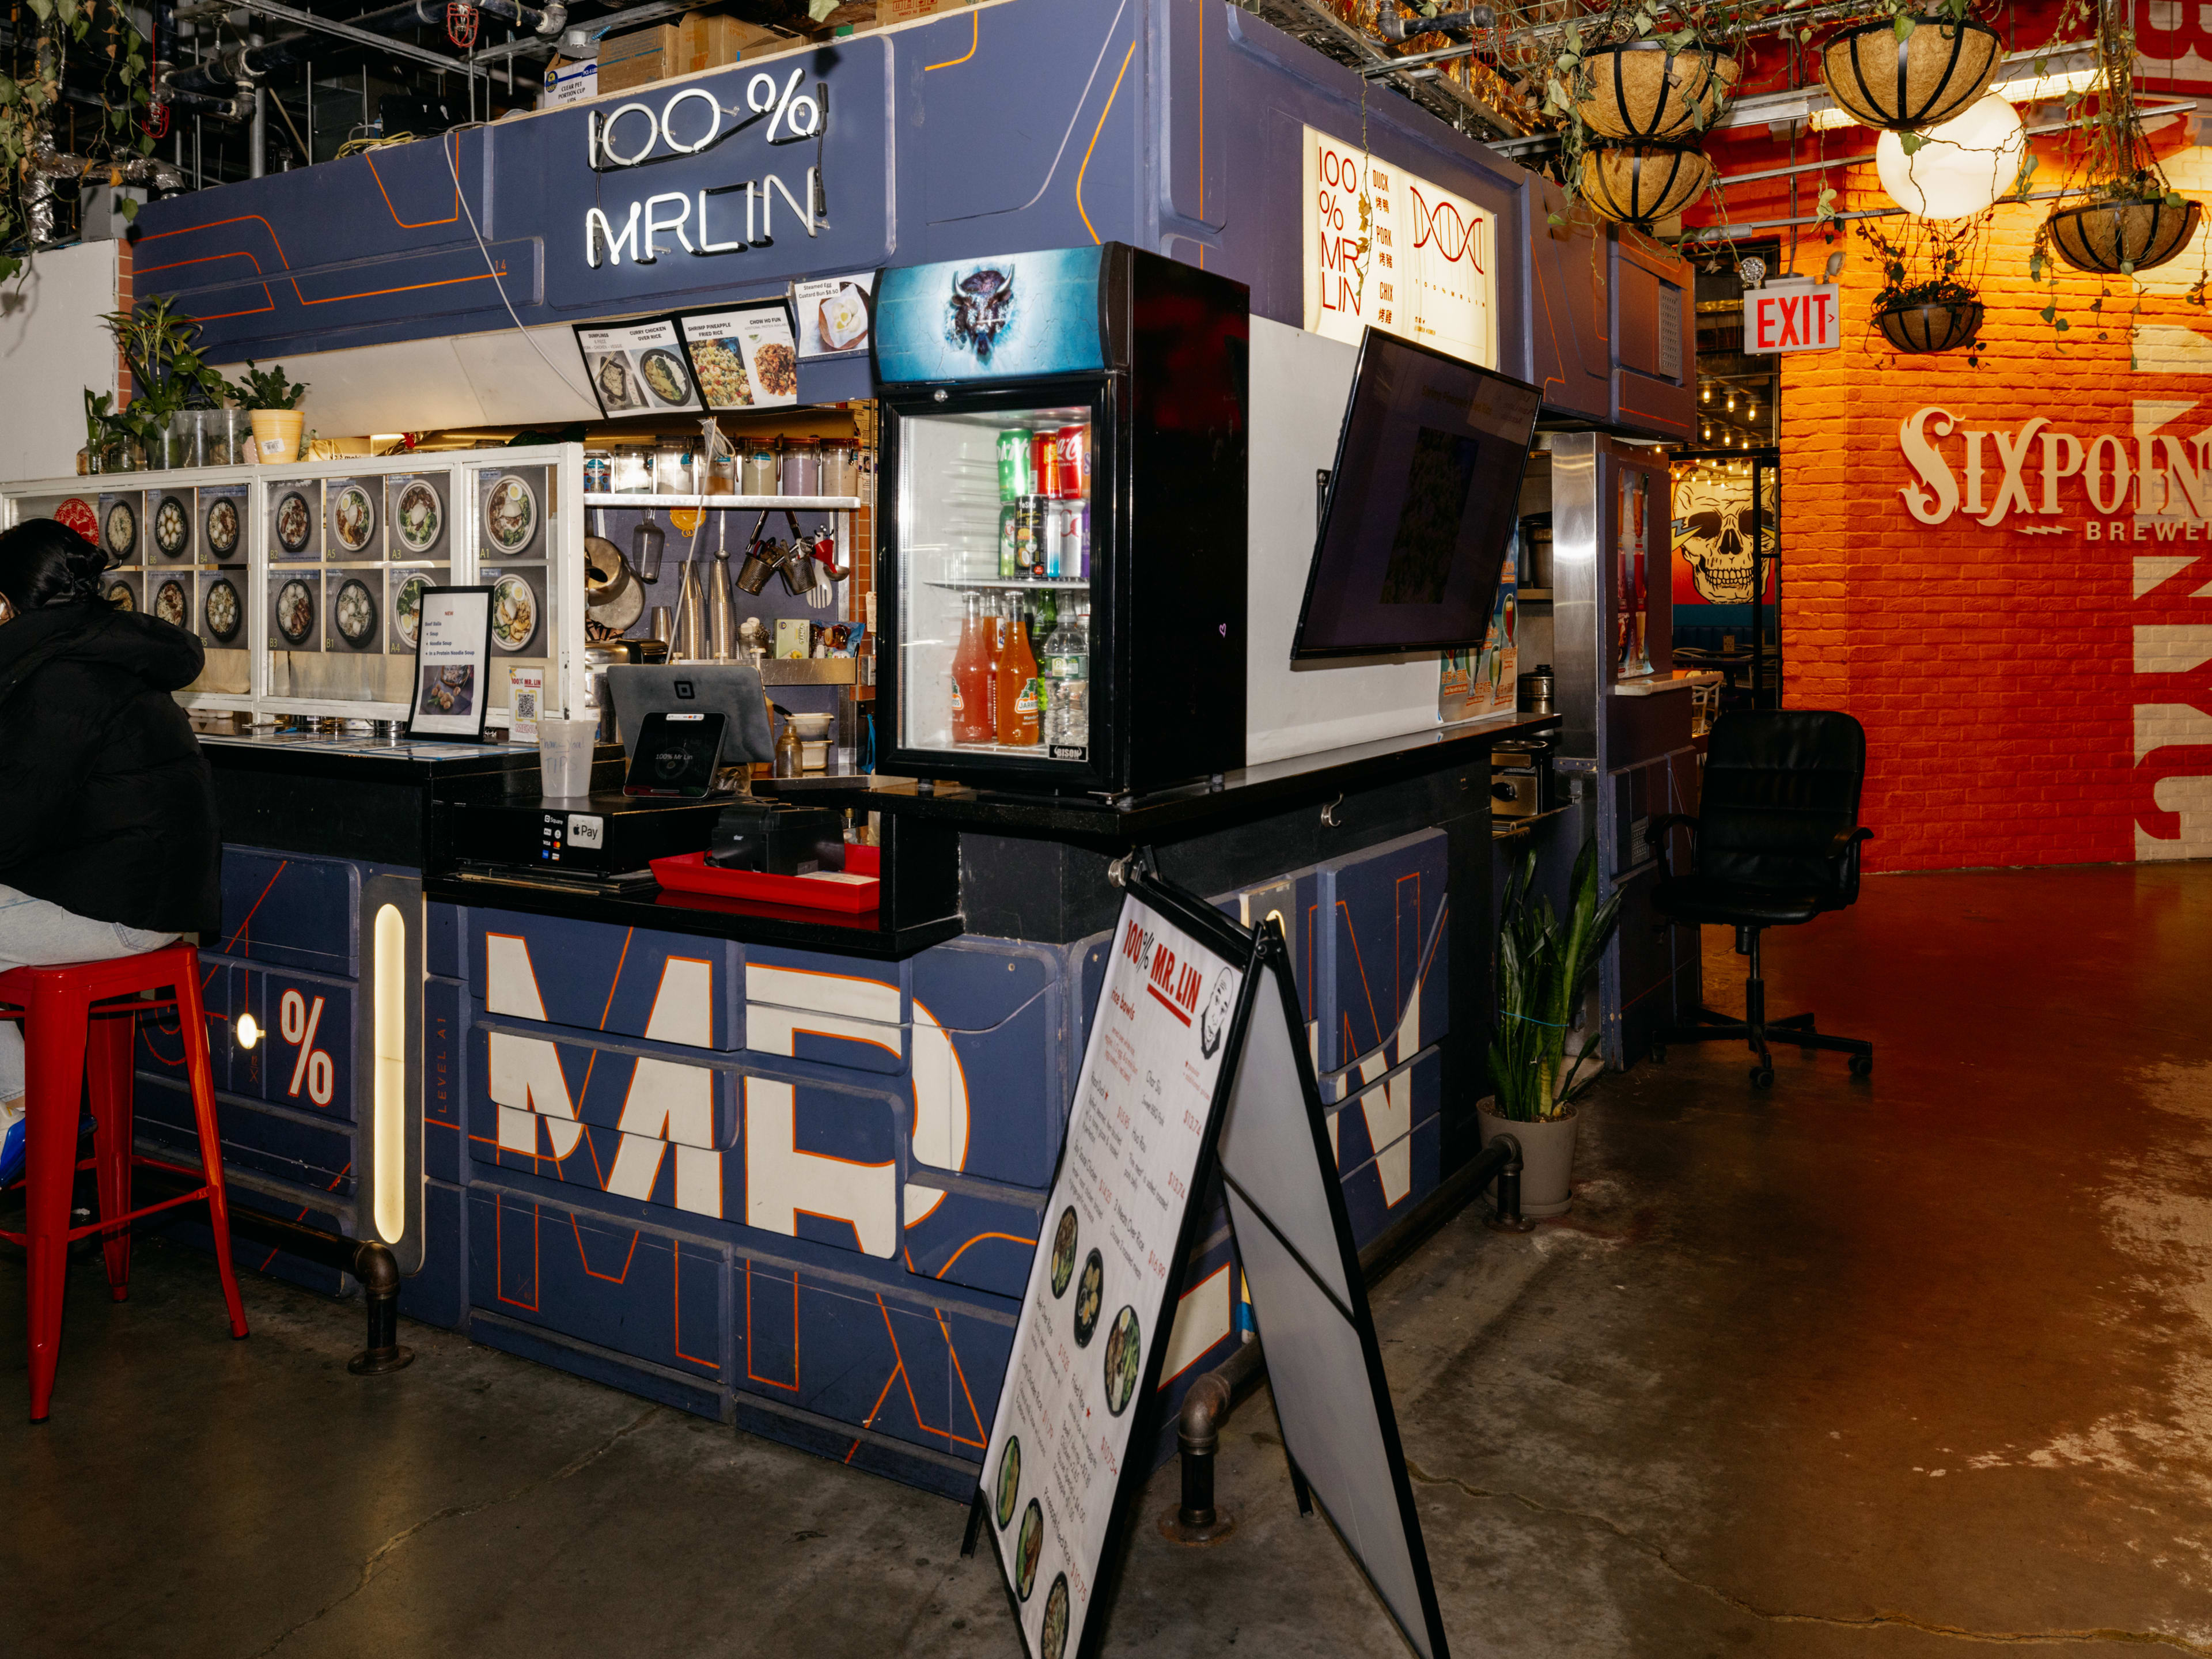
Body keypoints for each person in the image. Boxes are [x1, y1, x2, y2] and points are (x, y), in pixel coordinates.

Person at [0, 518, 221, 1186]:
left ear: (10, 606)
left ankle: (18, 1112)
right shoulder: (101, 653)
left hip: (128, 910)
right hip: (131, 891)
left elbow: (12, 827)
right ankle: (22, 1103)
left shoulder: (61, 678)